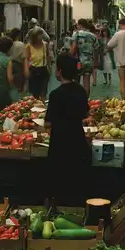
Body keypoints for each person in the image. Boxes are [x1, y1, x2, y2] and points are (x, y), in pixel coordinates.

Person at [45, 53, 91, 206]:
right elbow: (85, 114)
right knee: (76, 179)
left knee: (61, 180)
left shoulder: (55, 95)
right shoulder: (81, 91)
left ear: (59, 71)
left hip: (59, 144)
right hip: (78, 141)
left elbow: (48, 123)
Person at [70, 19, 99, 96]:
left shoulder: (76, 34)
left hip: (78, 61)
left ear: (80, 25)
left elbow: (73, 48)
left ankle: (76, 100)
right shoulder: (93, 36)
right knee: (87, 82)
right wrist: (95, 61)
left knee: (76, 82)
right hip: (89, 61)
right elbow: (96, 50)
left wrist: (70, 56)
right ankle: (86, 100)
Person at [26, 27, 50, 101]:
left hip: (43, 69)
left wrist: (49, 68)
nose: (40, 37)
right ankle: (36, 109)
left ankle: (43, 107)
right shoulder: (29, 46)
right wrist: (27, 71)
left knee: (43, 92)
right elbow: (27, 60)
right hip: (34, 70)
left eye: (41, 35)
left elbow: (48, 56)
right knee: (35, 93)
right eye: (38, 35)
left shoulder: (45, 45)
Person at [8, 28, 29, 101]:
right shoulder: (20, 45)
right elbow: (24, 58)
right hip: (18, 67)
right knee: (21, 87)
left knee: (11, 87)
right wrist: (26, 71)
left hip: (8, 65)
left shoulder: (9, 43)